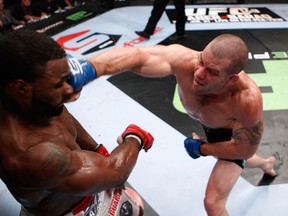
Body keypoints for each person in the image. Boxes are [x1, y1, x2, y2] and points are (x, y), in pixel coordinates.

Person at [69, 34, 277, 216]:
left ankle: (263, 162)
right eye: (201, 60)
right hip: (212, 128)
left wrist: (202, 148)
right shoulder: (187, 60)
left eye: (212, 71)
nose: (199, 73)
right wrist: (89, 69)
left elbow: (243, 150)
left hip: (229, 139)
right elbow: (139, 57)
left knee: (213, 203)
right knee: (248, 162)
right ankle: (266, 163)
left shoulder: (246, 101)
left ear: (231, 79)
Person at [0, 29, 154, 216]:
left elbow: (61, 116)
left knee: (136, 209)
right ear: (22, 87)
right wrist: (135, 138)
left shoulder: (38, 100)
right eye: (58, 84)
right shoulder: (31, 155)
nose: (69, 91)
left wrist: (98, 149)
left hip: (80, 182)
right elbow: (115, 172)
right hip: (67, 211)